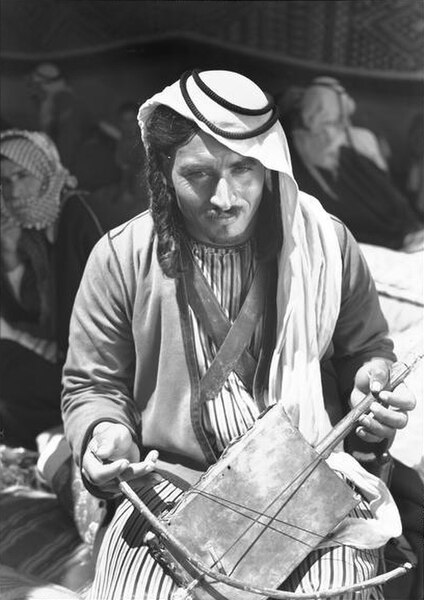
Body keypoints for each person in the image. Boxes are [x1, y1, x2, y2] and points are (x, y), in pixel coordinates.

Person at [61, 70, 416, 600]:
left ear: (270, 167)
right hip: (172, 488)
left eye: (244, 170)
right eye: (198, 174)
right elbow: (93, 386)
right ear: (163, 171)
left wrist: (370, 385)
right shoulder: (119, 258)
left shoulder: (326, 247)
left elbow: (364, 352)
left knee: (336, 590)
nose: (224, 197)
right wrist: (103, 434)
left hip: (308, 482)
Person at [0, 129, 103, 449]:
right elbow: (26, 312)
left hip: (102, 370)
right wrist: (9, 251)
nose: (14, 191)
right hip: (68, 360)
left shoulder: (79, 214)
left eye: (22, 176)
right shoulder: (34, 231)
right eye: (4, 182)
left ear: (45, 173)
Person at [284, 77, 423, 251]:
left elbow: (384, 188)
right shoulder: (296, 146)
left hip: (381, 225)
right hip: (340, 230)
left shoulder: (356, 141)